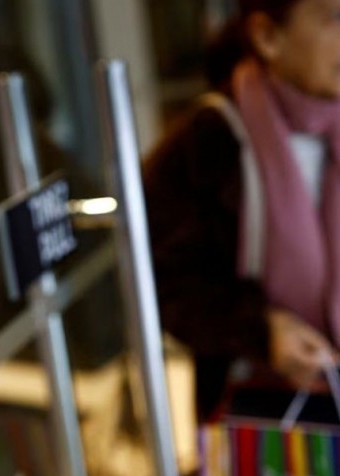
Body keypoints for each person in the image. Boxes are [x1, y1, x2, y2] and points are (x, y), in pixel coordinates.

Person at [144, 0, 340, 420]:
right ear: (267, 37)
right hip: (267, 415)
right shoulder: (207, 142)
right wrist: (261, 330)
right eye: (335, 17)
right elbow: (164, 283)